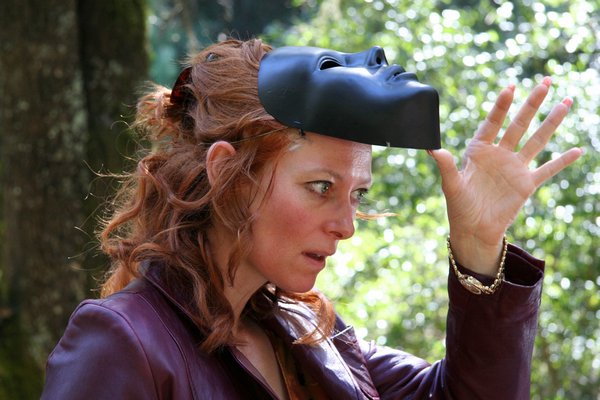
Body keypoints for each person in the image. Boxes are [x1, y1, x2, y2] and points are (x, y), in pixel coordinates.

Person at [41, 38, 582, 399]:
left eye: (357, 194)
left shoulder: (314, 336)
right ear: (227, 174)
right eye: (321, 187)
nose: (347, 225)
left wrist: (478, 246)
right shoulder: (124, 341)